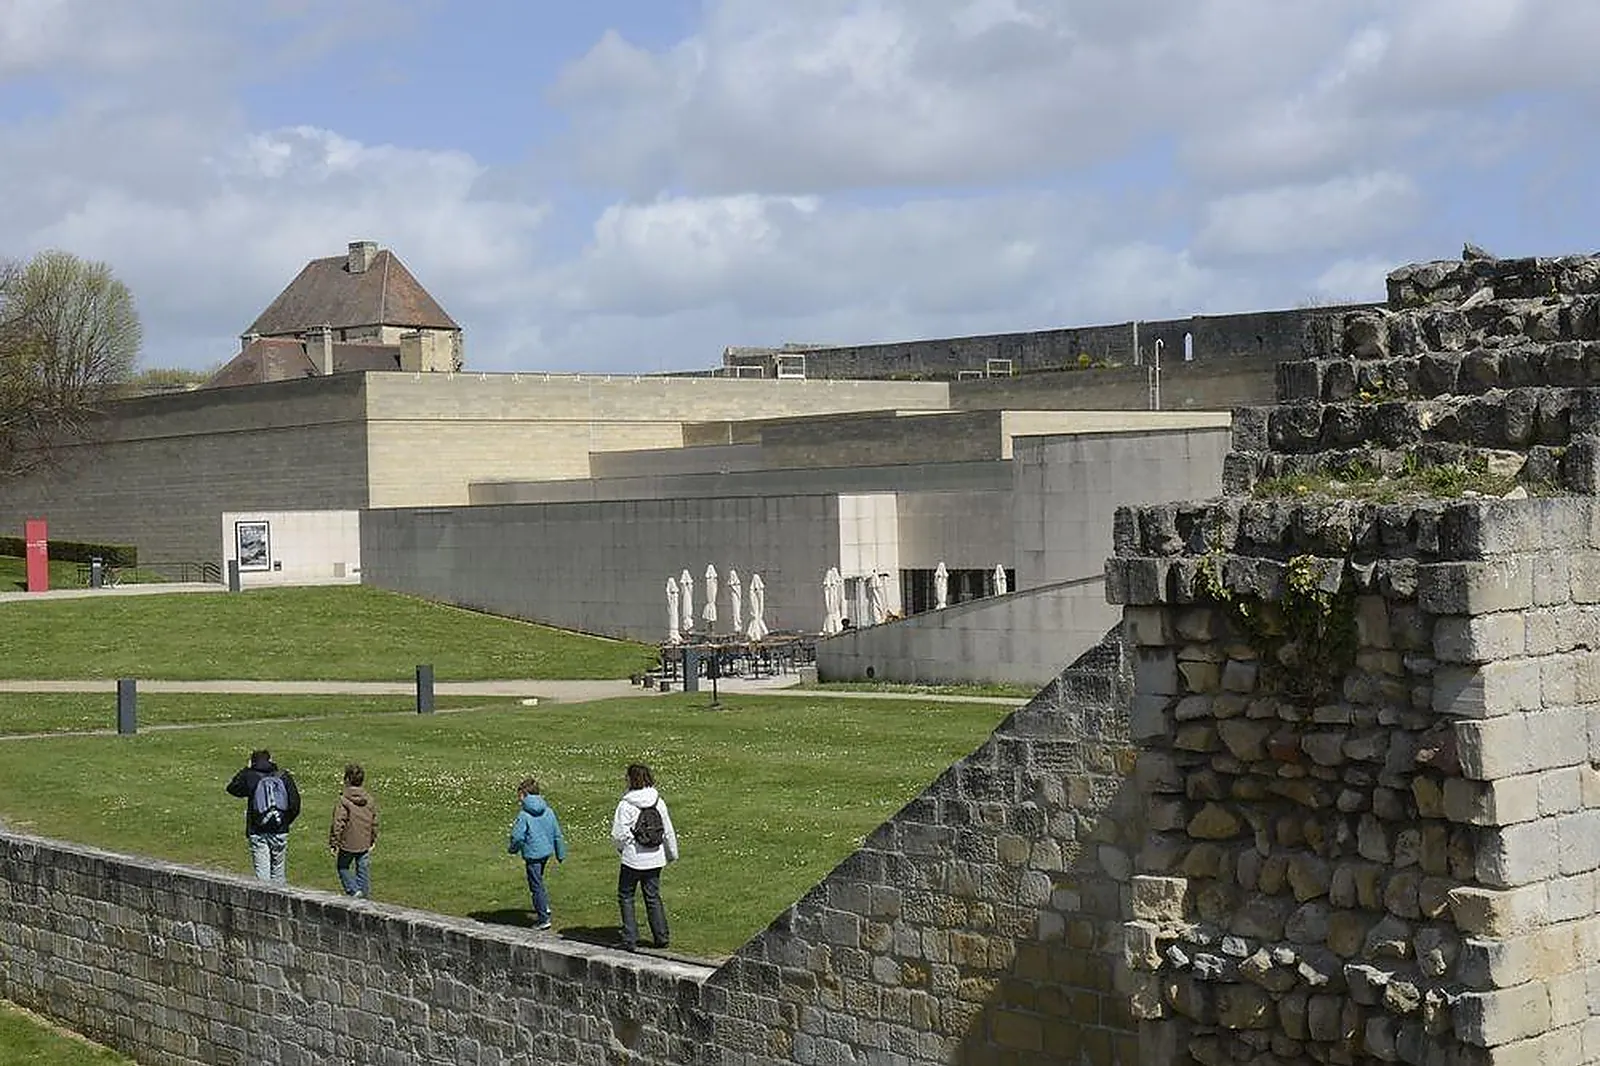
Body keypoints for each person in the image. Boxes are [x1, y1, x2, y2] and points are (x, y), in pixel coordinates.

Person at [610, 763, 678, 951]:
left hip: (633, 858)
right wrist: (671, 854)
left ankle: (630, 937)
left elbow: (618, 835)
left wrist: (622, 850)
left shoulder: (626, 804)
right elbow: (668, 830)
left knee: (626, 895)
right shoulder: (658, 801)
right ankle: (661, 936)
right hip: (655, 857)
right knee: (652, 896)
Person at [225, 748, 301, 883]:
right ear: (270, 760)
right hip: (280, 830)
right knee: (278, 871)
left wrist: (245, 769)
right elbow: (295, 804)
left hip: (257, 830)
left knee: (263, 874)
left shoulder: (250, 776)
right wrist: (285, 822)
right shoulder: (283, 776)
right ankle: (279, 900)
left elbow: (232, 788)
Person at [507, 777, 566, 930]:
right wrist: (560, 853)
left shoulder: (524, 815)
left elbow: (517, 836)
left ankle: (543, 918)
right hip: (546, 852)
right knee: (539, 881)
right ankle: (544, 906)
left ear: (524, 795)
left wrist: (513, 849)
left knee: (536, 885)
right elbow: (557, 833)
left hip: (533, 855)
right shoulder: (549, 811)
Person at [328, 763, 379, 898]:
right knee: (363, 869)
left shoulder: (343, 800)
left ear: (347, 779)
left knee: (342, 867)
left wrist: (334, 842)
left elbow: (338, 823)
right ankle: (364, 897)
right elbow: (374, 822)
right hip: (364, 841)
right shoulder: (369, 799)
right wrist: (372, 838)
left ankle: (354, 891)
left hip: (348, 843)